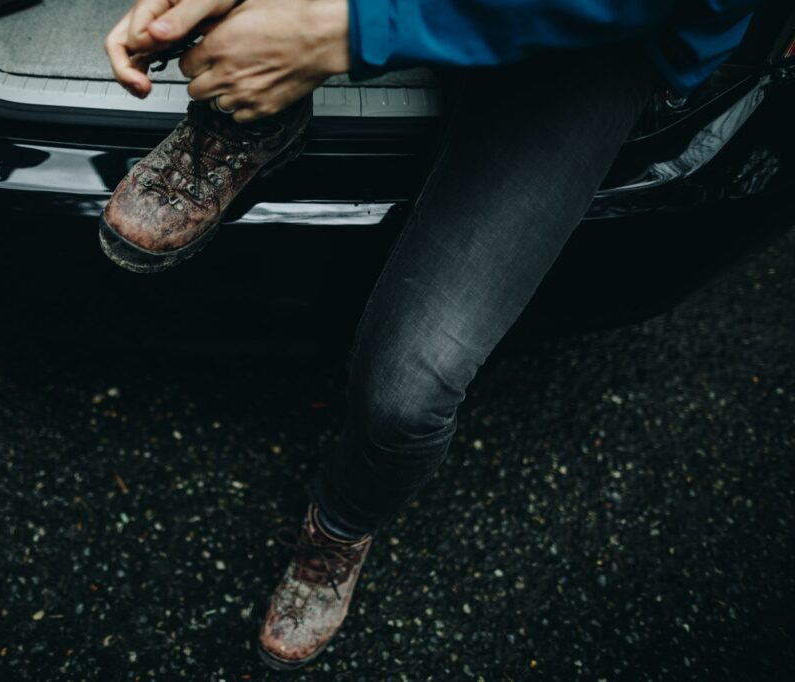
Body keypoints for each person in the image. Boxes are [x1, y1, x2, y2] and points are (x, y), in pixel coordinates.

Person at [100, 0, 760, 669]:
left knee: (408, 394)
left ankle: (341, 525)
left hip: (601, 37)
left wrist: (354, 27)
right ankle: (250, 116)